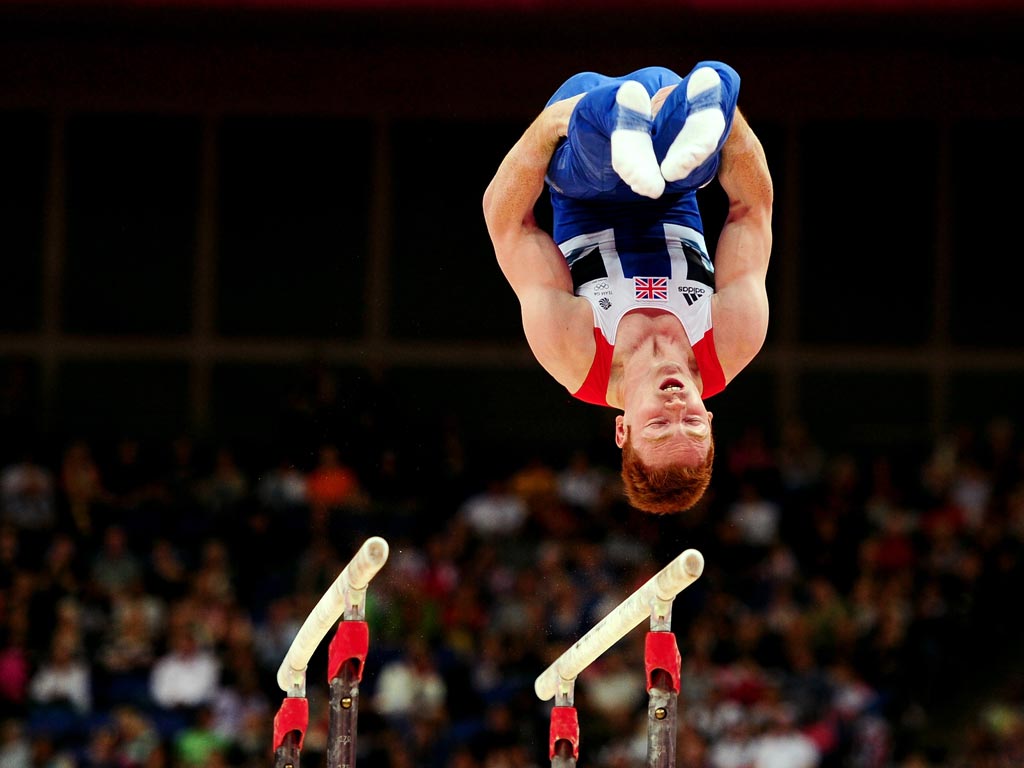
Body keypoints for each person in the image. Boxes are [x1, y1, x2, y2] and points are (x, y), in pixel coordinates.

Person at [483, 61, 773, 513]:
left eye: (658, 425)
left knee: (600, 164)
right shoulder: (735, 338)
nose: (676, 405)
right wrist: (730, 124)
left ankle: (619, 118)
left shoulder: (574, 354)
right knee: (694, 149)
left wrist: (548, 125)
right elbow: (751, 210)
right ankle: (703, 100)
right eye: (693, 422)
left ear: (623, 430)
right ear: (712, 420)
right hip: (675, 181)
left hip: (582, 180)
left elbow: (509, 225)